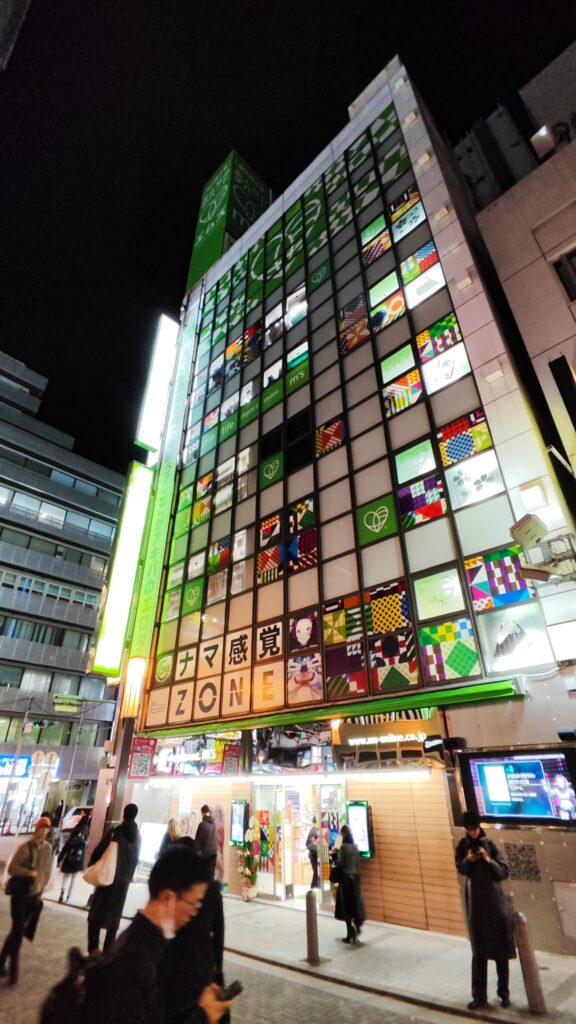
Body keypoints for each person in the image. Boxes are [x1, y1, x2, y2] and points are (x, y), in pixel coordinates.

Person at [81, 844, 232, 1024]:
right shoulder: (135, 962)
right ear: (169, 898)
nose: (193, 913)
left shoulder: (147, 942)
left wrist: (201, 1007)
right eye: (192, 903)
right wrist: (204, 1017)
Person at [160, 837, 226, 1024]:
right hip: (200, 964)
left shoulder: (173, 888)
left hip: (176, 966)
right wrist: (218, 968)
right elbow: (219, 933)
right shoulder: (211, 889)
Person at [455, 810, 516, 1010]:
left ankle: (504, 994)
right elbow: (461, 869)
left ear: (479, 826)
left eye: (474, 829)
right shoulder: (462, 846)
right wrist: (468, 860)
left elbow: (503, 872)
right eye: (469, 829)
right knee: (478, 953)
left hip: (495, 905)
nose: (472, 832)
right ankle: (479, 997)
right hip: (476, 907)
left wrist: (488, 859)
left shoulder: (490, 844)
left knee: (500, 953)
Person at [0, 816, 53, 984]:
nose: (43, 832)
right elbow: (11, 868)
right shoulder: (25, 848)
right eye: (41, 828)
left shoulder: (48, 848)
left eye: (46, 829)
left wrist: (42, 890)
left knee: (17, 932)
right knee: (17, 932)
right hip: (20, 897)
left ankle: (1, 961)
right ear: (36, 829)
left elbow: (47, 871)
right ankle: (13, 972)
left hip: (34, 896)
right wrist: (28, 872)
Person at [87, 802, 141, 953]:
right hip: (123, 884)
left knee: (95, 919)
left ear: (124, 814)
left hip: (108, 879)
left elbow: (99, 851)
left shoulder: (116, 831)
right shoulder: (137, 837)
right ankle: (107, 954)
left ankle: (93, 952)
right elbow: (136, 860)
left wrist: (92, 864)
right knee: (113, 923)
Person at [333, 824, 365, 943]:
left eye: (341, 834)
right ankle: (356, 928)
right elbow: (358, 863)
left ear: (344, 834)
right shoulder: (355, 847)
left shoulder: (344, 847)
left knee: (345, 907)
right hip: (355, 878)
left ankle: (349, 934)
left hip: (346, 880)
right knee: (355, 904)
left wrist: (335, 858)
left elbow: (341, 864)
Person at [57, 813, 89, 903]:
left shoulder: (75, 830)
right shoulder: (86, 832)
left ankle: (62, 893)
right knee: (73, 879)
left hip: (69, 857)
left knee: (66, 877)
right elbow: (85, 847)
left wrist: (60, 859)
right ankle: (68, 896)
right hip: (78, 859)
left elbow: (66, 846)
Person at [195, 805, 218, 880]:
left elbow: (197, 843)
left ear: (202, 813)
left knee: (202, 879)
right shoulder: (214, 824)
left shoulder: (202, 825)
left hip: (204, 857)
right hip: (213, 856)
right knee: (210, 879)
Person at [306, 818, 320, 888]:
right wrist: (316, 842)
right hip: (313, 854)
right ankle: (313, 888)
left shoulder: (317, 830)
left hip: (316, 854)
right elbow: (309, 843)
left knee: (317, 872)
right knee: (316, 872)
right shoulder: (313, 830)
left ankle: (314, 887)